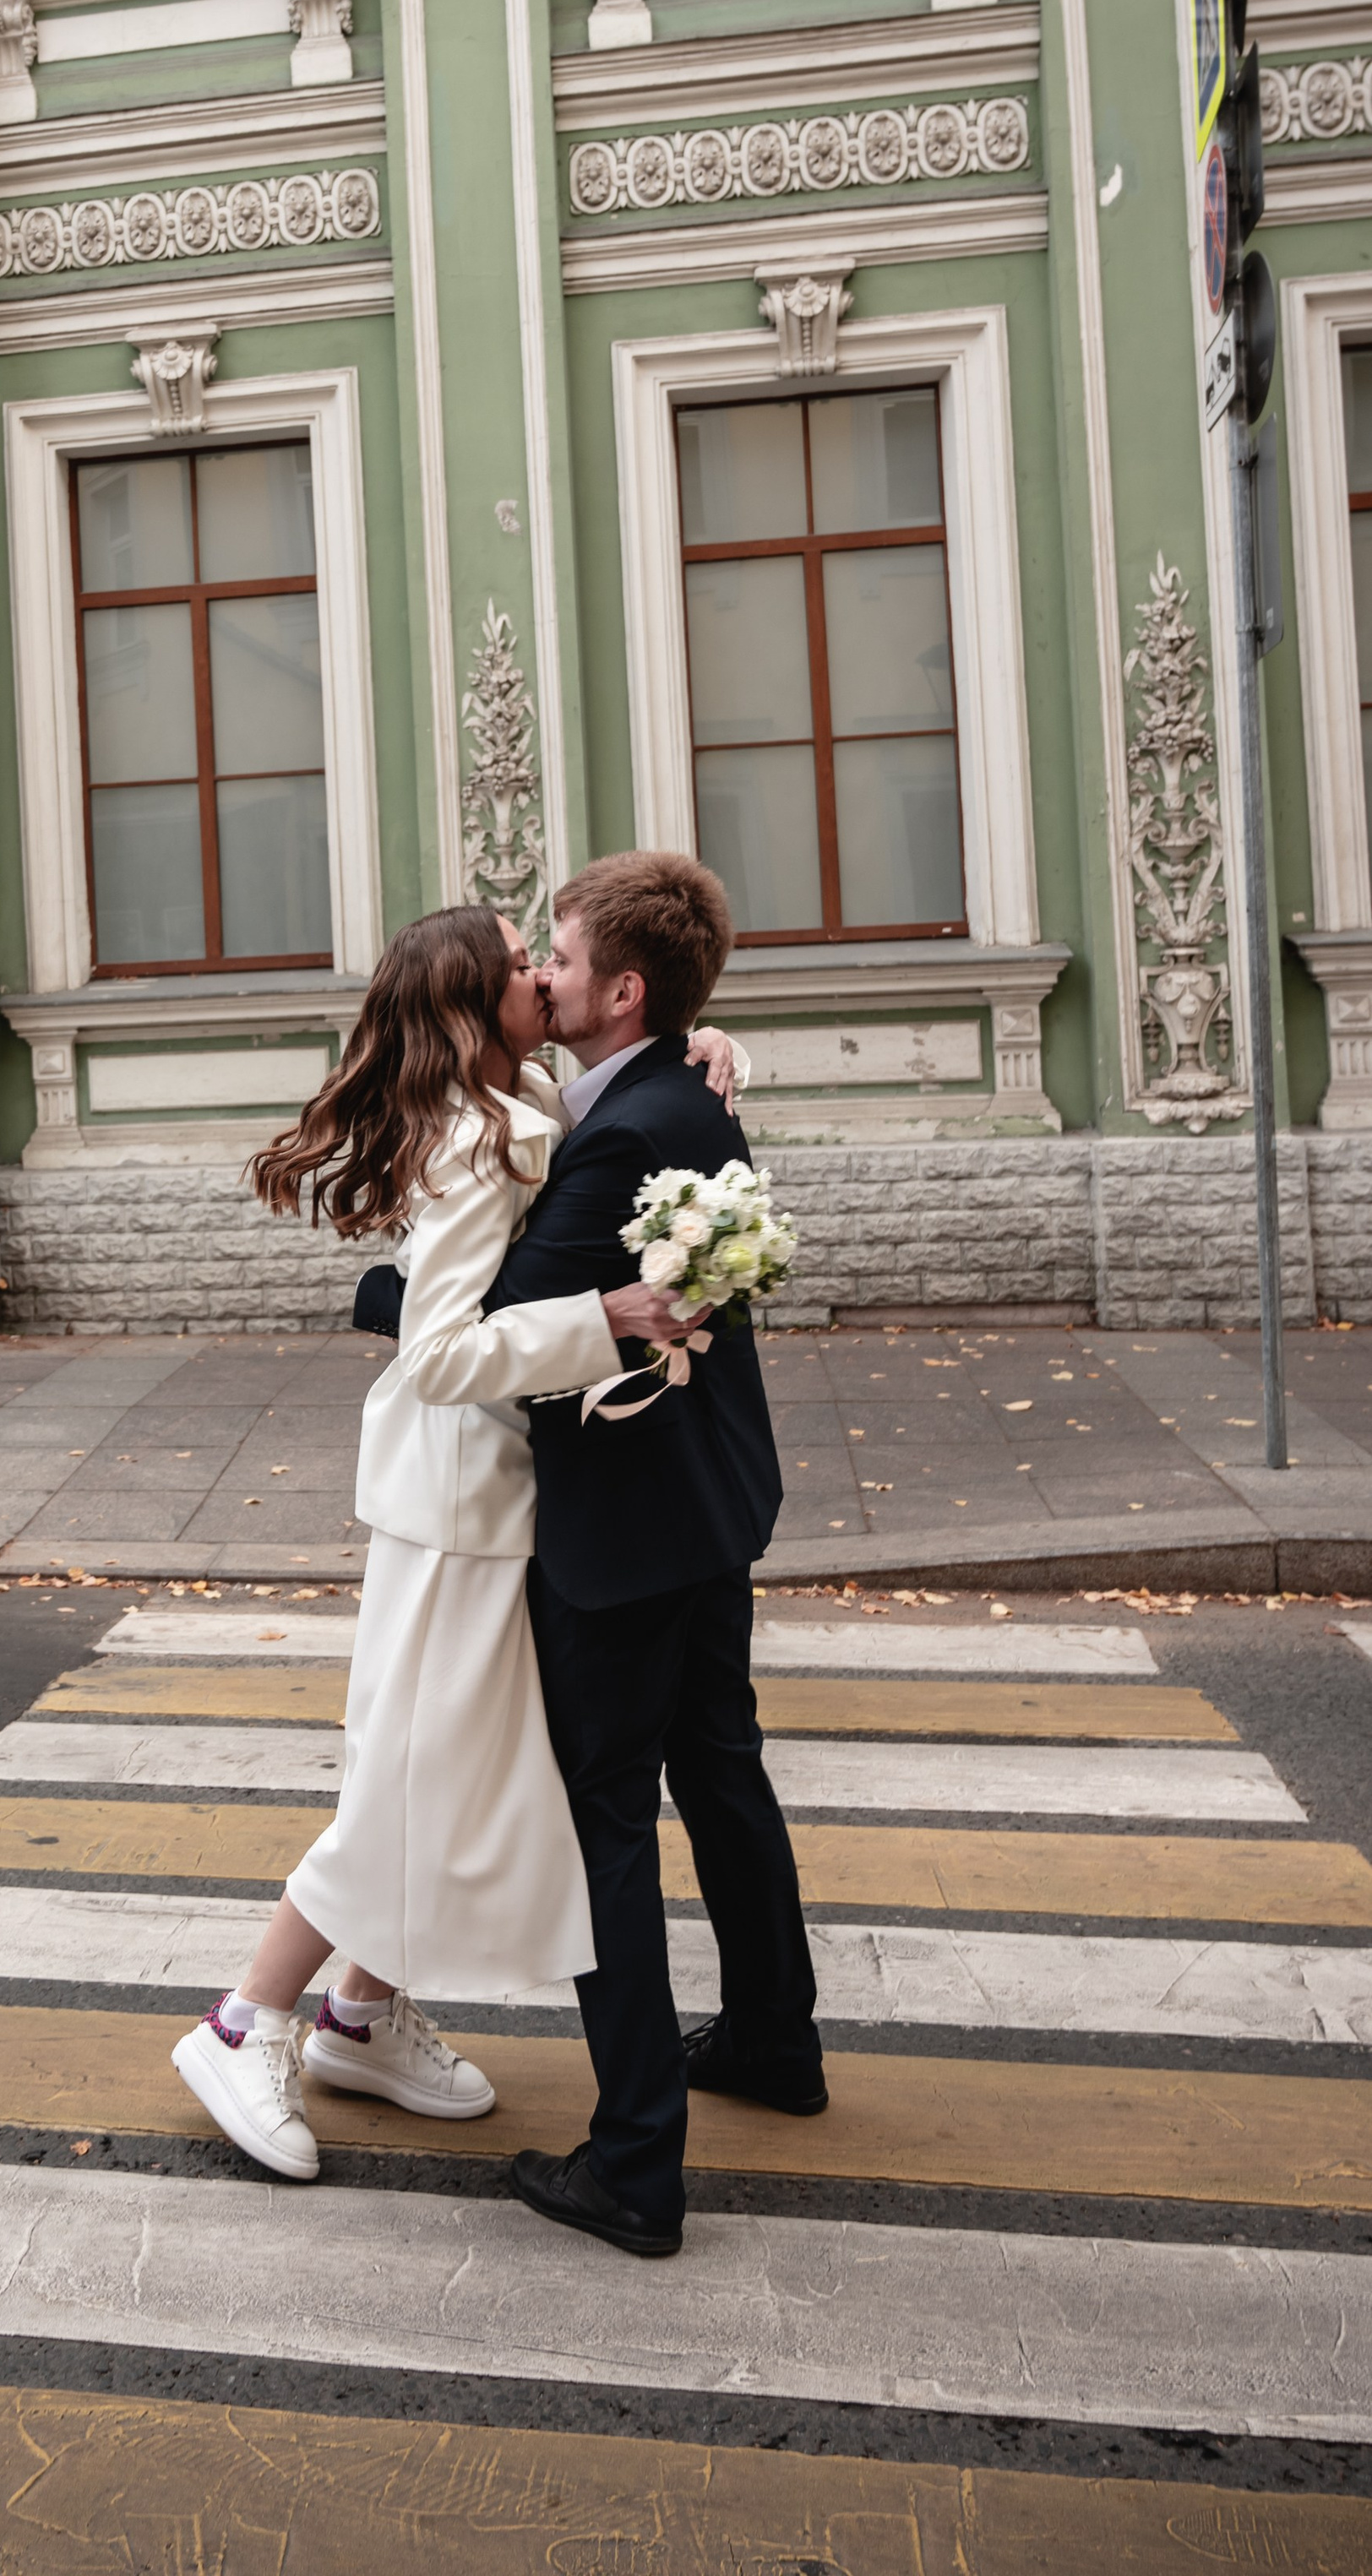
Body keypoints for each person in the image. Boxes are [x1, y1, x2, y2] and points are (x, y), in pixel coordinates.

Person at [167, 901, 742, 2181]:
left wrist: (708, 1046)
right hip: (455, 1509)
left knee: (472, 1774)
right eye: (523, 964)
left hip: (501, 1505)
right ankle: (240, 2022)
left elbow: (620, 1083)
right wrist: (605, 1314)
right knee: (406, 1780)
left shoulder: (520, 1099)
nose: (547, 973)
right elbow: (437, 1357)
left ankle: (361, 2016)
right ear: (481, 1008)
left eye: (555, 957)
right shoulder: (475, 1143)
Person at [362, 851, 822, 2258]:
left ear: (620, 989)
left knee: (609, 1822)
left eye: (554, 957)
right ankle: (769, 2041)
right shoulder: (675, 1089)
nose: (541, 976)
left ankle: (635, 2166)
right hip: (714, 1504)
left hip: (621, 1533)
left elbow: (490, 1311)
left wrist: (382, 1289)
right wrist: (705, 1036)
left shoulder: (624, 1122)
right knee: (722, 1769)